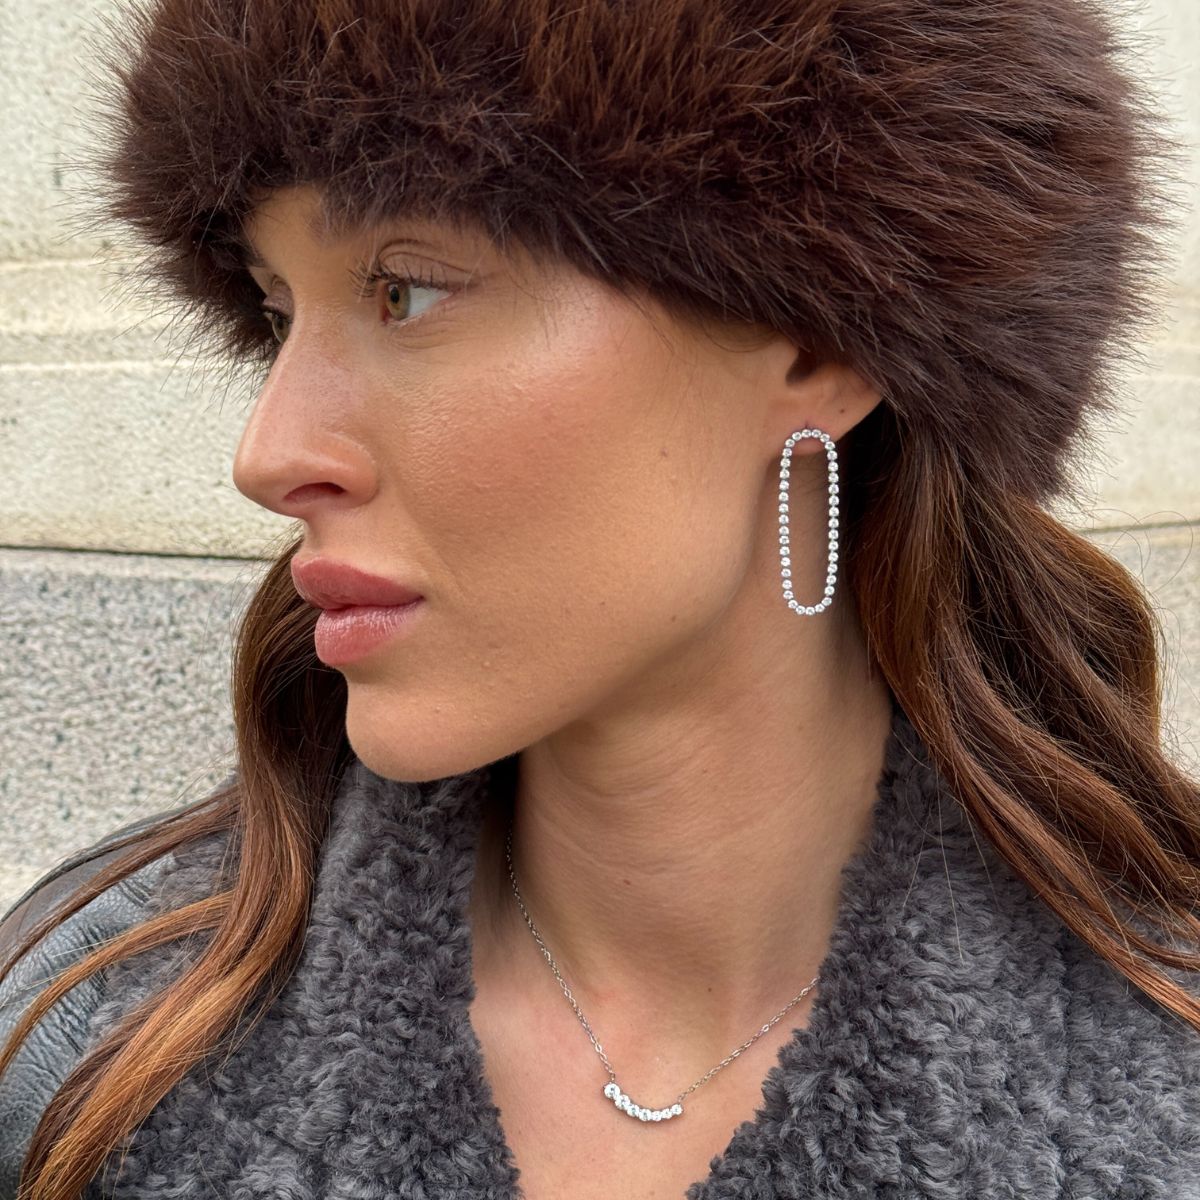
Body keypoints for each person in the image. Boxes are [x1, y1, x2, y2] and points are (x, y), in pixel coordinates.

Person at [2, 0, 1198, 1196]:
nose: (268, 456)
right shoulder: (87, 1046)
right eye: (277, 313)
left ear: (815, 344)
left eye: (405, 291)